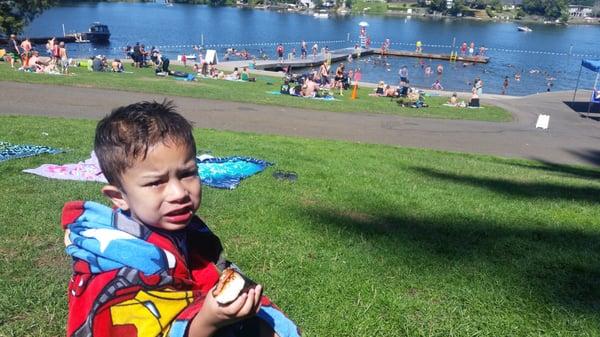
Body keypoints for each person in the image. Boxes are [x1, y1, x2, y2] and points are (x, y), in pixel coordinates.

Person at [60, 101, 301, 337]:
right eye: (156, 182)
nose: (179, 193)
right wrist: (207, 322)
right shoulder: (117, 266)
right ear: (119, 197)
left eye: (187, 174)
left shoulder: (186, 232)